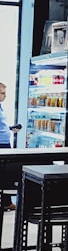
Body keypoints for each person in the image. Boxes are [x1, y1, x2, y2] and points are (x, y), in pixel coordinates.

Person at [0, 82, 21, 211]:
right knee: (4, 174)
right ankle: (6, 202)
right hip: (1, 144)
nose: (5, 96)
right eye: (2, 93)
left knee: (4, 174)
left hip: (4, 142)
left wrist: (9, 129)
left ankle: (6, 201)